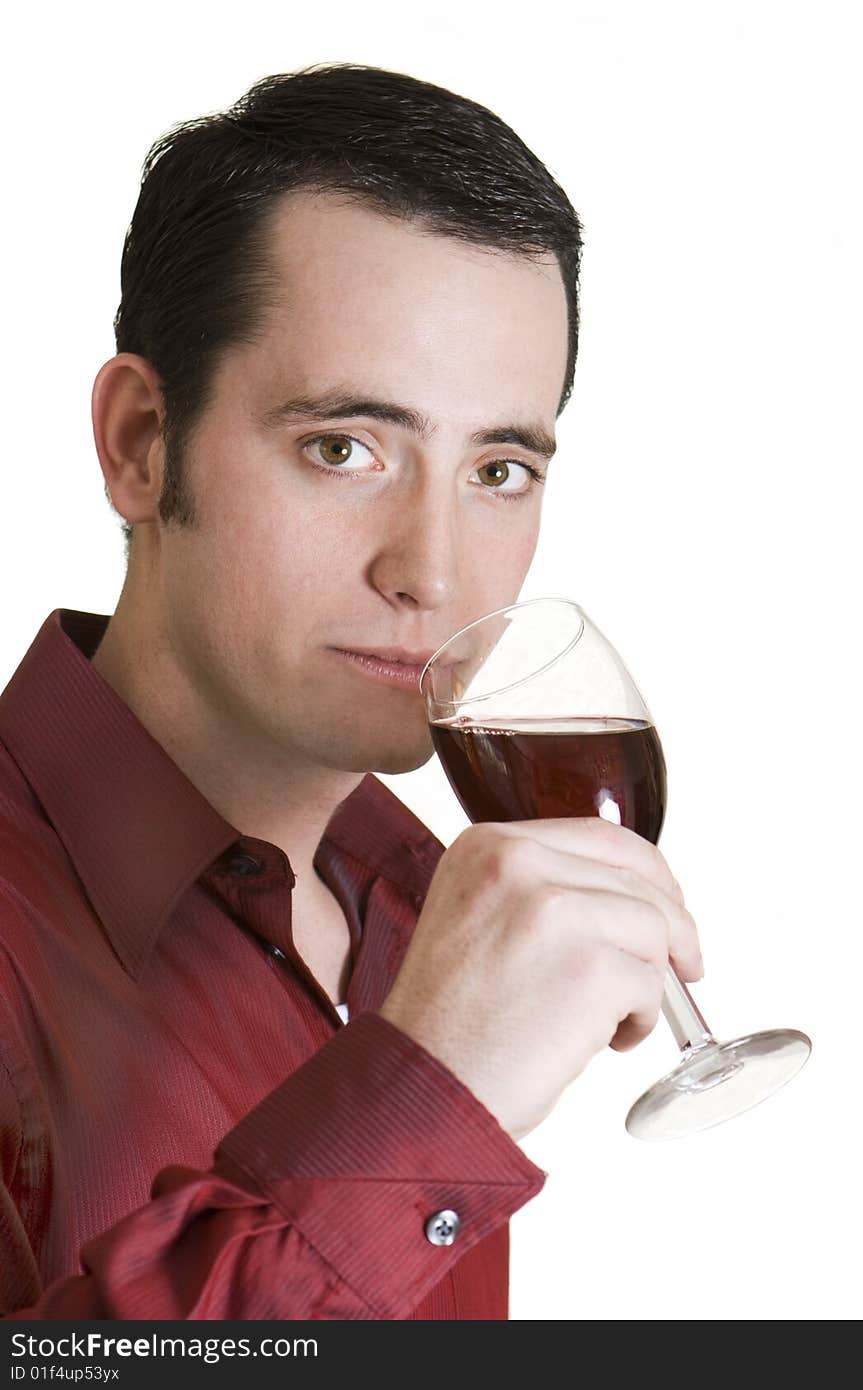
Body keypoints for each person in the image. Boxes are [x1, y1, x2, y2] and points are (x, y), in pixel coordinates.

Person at [0, 62, 702, 1320]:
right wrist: (425, 1087)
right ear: (140, 445)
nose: (430, 571)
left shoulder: (429, 914)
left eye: (497, 468)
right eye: (344, 448)